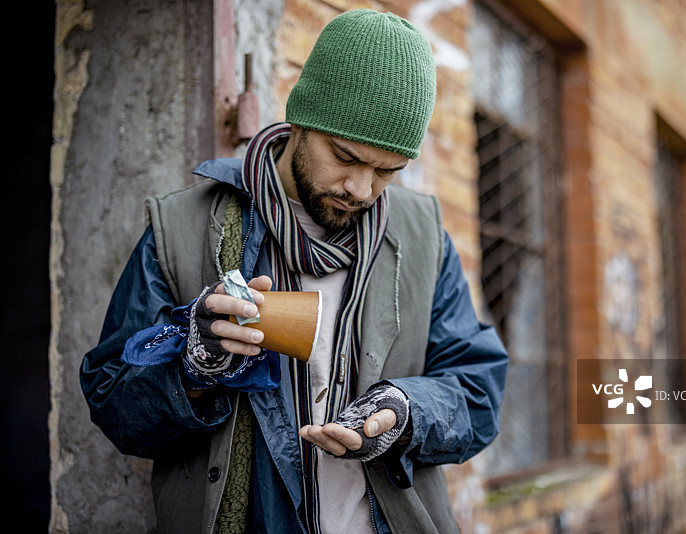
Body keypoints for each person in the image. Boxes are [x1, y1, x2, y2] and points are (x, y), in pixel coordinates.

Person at [81, 8, 508, 534]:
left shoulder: (422, 235)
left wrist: (405, 411)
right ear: (302, 119)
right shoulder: (183, 228)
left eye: (387, 170)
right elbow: (113, 403)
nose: (361, 188)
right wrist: (193, 367)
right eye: (345, 156)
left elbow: (478, 390)